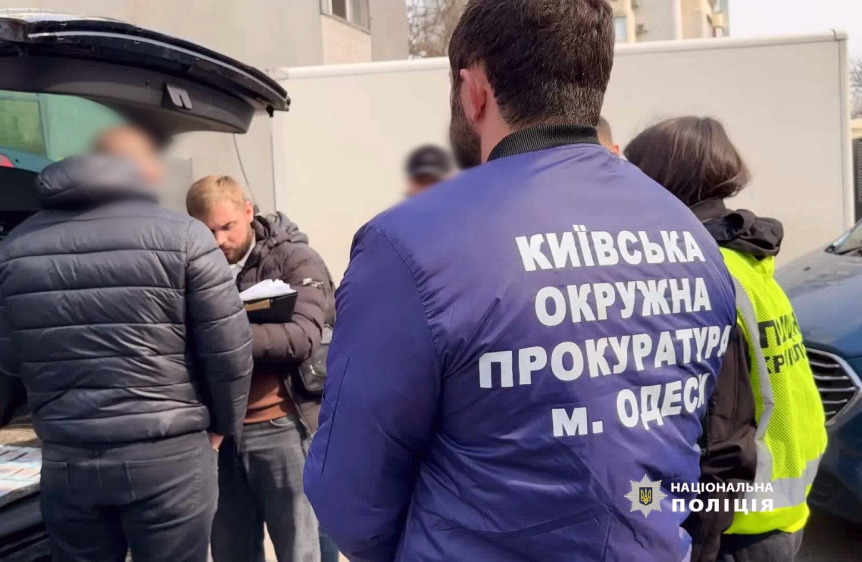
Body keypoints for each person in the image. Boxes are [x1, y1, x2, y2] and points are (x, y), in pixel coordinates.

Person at [304, 1, 739, 560]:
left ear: (475, 90)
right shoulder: (694, 239)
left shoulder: (410, 245)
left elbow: (349, 493)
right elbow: (692, 441)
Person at [0, 127, 253, 562]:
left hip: (69, 459)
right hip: (169, 454)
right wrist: (224, 426)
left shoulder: (16, 246)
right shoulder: (186, 237)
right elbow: (230, 353)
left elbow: (9, 358)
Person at [625, 116, 828, 562]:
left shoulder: (703, 275)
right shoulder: (744, 258)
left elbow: (722, 437)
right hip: (778, 509)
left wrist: (697, 546)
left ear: (660, 182)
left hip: (735, 526)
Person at [187, 175, 333, 562]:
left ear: (248, 212)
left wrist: (222, 334)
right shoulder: (193, 269)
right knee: (230, 550)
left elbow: (302, 337)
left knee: (299, 550)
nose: (219, 240)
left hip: (281, 428)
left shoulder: (294, 259)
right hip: (219, 434)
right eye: (207, 231)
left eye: (227, 226)